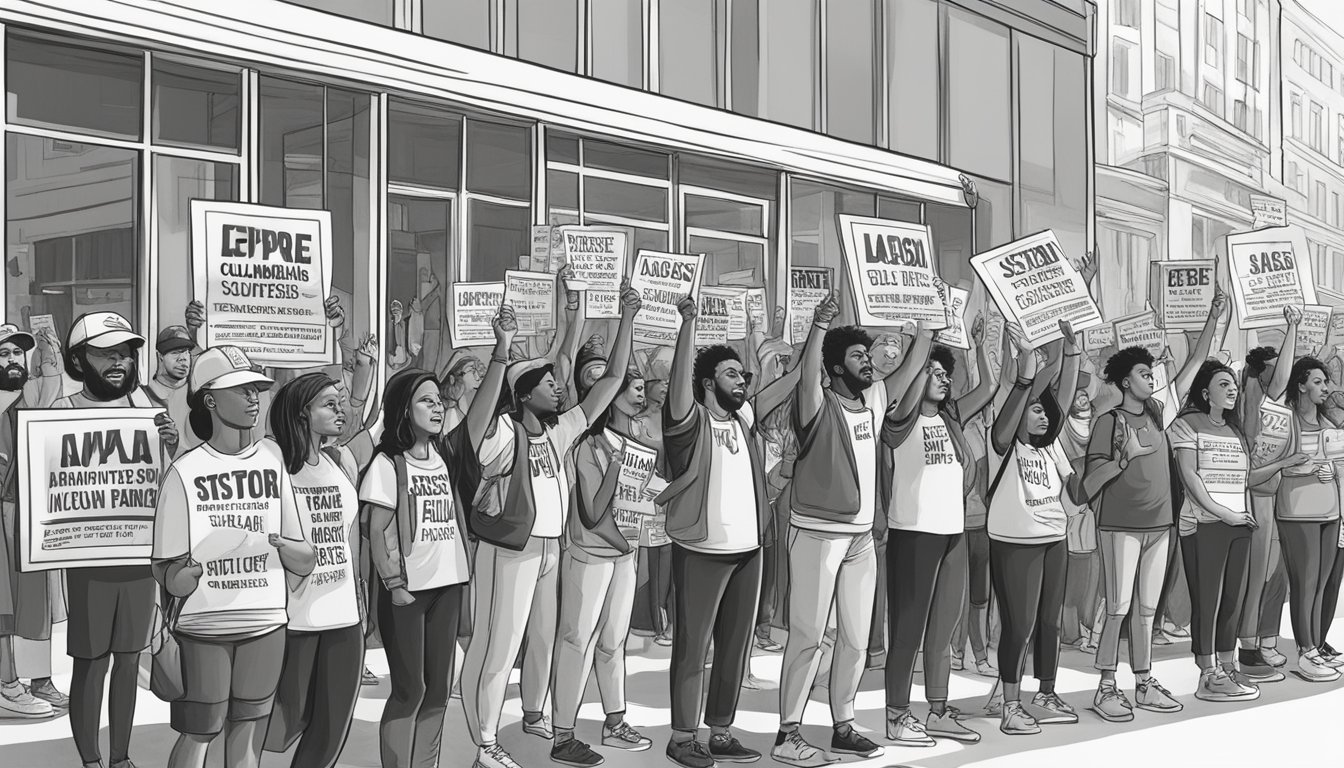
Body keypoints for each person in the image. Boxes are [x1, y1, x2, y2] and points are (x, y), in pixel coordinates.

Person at [461, 288, 639, 768]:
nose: (559, 388)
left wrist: (627, 318)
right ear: (523, 394)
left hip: (549, 550)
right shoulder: (501, 431)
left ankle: (534, 714)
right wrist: (502, 351)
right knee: (498, 645)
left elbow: (614, 378)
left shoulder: (559, 431)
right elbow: (472, 429)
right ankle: (484, 744)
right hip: (507, 550)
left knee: (541, 636)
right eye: (547, 383)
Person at [151, 346, 315, 768]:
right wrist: (184, 575)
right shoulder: (185, 472)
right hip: (204, 626)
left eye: (255, 389)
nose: (252, 399)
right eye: (240, 390)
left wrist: (287, 549)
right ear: (210, 399)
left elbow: (303, 552)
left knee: (248, 732)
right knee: (199, 732)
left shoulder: (273, 459)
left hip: (265, 622)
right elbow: (165, 569)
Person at [364, 308, 511, 768]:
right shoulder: (388, 464)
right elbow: (377, 527)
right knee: (410, 690)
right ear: (404, 410)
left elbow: (479, 412)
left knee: (437, 693)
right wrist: (394, 584)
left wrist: (501, 351)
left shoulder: (447, 456)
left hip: (448, 586)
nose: (435, 407)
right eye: (425, 401)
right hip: (407, 592)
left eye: (436, 400)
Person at [659, 295, 800, 768]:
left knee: (734, 649)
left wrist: (814, 340)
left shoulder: (742, 418)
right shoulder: (688, 421)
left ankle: (719, 731)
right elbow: (679, 390)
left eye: (743, 375)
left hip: (748, 550)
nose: (743, 381)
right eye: (732, 375)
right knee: (692, 647)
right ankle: (682, 737)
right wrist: (688, 327)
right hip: (700, 549)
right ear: (707, 384)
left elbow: (785, 388)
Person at [56, 312, 180, 768]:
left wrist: (172, 447)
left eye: (125, 353)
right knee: (91, 662)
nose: (119, 361)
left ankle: (120, 756)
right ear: (78, 358)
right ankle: (90, 759)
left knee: (128, 660)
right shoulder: (59, 412)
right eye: (106, 352)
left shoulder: (147, 411)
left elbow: (169, 487)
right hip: (89, 564)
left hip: (138, 560)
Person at [771, 293, 887, 766]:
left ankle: (843, 723)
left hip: (860, 539)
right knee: (808, 635)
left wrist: (928, 332)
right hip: (817, 532)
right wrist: (820, 325)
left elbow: (904, 372)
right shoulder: (816, 405)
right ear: (835, 368)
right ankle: (787, 734)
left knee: (855, 637)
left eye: (867, 355)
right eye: (858, 357)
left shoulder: (874, 401)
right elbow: (806, 376)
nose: (868, 363)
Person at [879, 323, 997, 747]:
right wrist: (921, 349)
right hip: (913, 533)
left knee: (943, 630)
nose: (945, 378)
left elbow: (988, 387)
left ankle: (937, 710)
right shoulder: (897, 419)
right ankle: (896, 715)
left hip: (953, 533)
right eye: (935, 372)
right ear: (916, 378)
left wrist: (982, 346)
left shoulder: (950, 417)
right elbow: (902, 400)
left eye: (946, 373)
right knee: (908, 630)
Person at [1171, 360, 1307, 702]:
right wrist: (1223, 513)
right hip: (1205, 525)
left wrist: (1281, 464)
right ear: (1205, 392)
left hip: (1239, 525)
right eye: (1223, 385)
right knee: (1208, 601)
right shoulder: (1187, 425)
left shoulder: (1233, 432)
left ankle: (1228, 667)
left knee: (1232, 600)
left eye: (1233, 384)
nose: (1232, 389)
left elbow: (1245, 479)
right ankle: (1207, 674)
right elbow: (1191, 478)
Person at [550, 369, 657, 765]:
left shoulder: (640, 446)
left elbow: (643, 503)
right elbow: (594, 512)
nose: (641, 394)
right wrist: (616, 468)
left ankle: (615, 722)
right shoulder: (588, 448)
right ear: (610, 399)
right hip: (590, 554)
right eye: (634, 388)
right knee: (576, 640)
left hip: (623, 556)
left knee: (614, 642)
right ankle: (563, 734)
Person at [261, 373, 366, 768]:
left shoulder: (340, 460)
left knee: (331, 728)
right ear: (303, 413)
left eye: (340, 404)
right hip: (293, 618)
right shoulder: (272, 461)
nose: (341, 412)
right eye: (329, 404)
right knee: (279, 725)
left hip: (343, 615)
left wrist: (360, 595)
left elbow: (349, 537)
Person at [987, 321, 1084, 735]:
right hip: (1015, 542)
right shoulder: (1006, 444)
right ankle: (1010, 703)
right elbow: (1008, 420)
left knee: (1050, 622)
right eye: (1037, 409)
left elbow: (1060, 399)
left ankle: (1045, 692)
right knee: (1019, 624)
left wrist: (1072, 348)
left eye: (1047, 412)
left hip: (1053, 539)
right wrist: (1028, 373)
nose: (1046, 416)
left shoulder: (1052, 447)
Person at [1083, 346, 1184, 721]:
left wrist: (1212, 318)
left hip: (1160, 524)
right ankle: (1106, 685)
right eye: (1144, 373)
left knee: (1146, 611)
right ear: (1126, 381)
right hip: (1120, 525)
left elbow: (1185, 377)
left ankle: (1143, 681)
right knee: (1117, 607)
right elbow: (1089, 482)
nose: (1151, 378)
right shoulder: (1108, 421)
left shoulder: (1156, 413)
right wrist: (1124, 457)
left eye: (1152, 372)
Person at [0, 323, 66, 718]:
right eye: (4, 353)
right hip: (5, 510)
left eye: (17, 353)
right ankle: (9, 686)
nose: (12, 360)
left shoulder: (29, 395)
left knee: (34, 600)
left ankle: (36, 680)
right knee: (4, 602)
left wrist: (48, 344)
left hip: (27, 513)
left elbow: (53, 377)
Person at [1265, 356, 1344, 682]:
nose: (1325, 388)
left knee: (1322, 584)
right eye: (1317, 382)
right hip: (1297, 513)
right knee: (1305, 584)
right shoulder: (1285, 423)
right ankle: (1306, 651)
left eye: (1326, 382)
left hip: (1330, 513)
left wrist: (1333, 469)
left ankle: (1316, 645)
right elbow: (1271, 464)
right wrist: (1306, 468)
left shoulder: (1330, 427)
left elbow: (1338, 464)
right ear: (1300, 385)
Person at [1238, 311, 1300, 678]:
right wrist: (1293, 326)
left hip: (1274, 494)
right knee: (1256, 571)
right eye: (1277, 367)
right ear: (1262, 371)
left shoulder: (1279, 403)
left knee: (1274, 574)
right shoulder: (1255, 394)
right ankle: (1247, 646)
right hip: (1256, 494)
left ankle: (1263, 638)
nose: (1285, 374)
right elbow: (1280, 380)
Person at [148, 325, 199, 451]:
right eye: (175, 352)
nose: (183, 358)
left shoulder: (198, 394)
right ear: (160, 356)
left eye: (187, 352)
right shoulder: (143, 395)